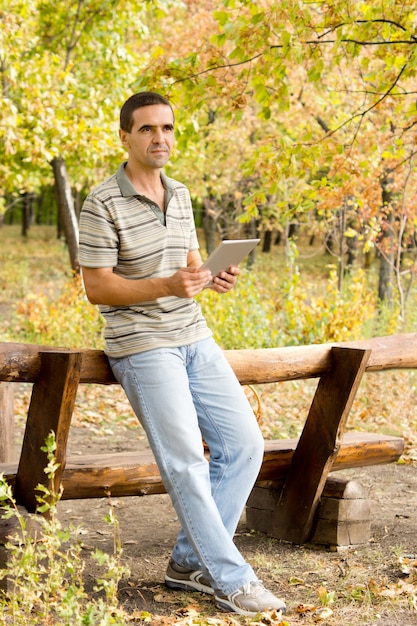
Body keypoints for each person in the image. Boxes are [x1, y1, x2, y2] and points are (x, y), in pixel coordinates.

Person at [78, 91, 286, 617]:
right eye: (147, 129)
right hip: (143, 347)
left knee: (245, 446)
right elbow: (98, 288)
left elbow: (188, 267)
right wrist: (166, 285)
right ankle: (230, 579)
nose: (160, 138)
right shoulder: (102, 201)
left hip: (194, 335)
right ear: (125, 136)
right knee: (187, 462)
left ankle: (190, 561)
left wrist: (210, 275)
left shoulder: (182, 193)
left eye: (167, 128)